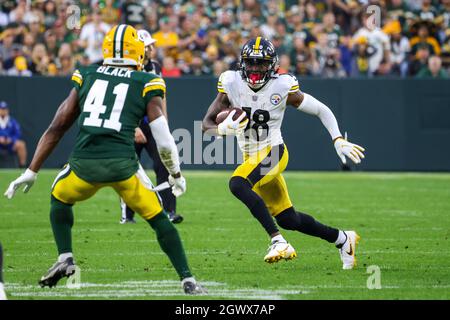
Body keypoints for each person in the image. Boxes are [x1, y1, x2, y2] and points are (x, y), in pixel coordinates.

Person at [4, 24, 205, 294]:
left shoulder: (86, 74)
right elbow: (164, 139)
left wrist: (31, 170)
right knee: (159, 219)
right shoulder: (147, 81)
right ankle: (188, 280)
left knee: (59, 196)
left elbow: (58, 126)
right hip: (123, 169)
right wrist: (176, 174)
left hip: (83, 168)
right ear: (138, 52)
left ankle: (65, 257)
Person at [202, 37, 365, 269]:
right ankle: (343, 239)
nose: (255, 69)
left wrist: (337, 137)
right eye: (251, 62)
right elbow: (205, 125)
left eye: (261, 63)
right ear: (242, 63)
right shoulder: (231, 82)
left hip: (274, 152)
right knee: (289, 218)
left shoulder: (282, 86)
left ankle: (278, 241)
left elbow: (321, 109)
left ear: (273, 65)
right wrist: (220, 129)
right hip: (252, 158)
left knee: (238, 184)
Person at [119, 29, 183, 224]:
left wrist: (165, 121)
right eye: (148, 46)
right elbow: (125, 100)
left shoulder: (155, 66)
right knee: (129, 169)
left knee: (164, 163)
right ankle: (127, 215)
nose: (152, 49)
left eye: (151, 46)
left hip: (152, 123)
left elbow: (161, 97)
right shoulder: (129, 68)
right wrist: (133, 127)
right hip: (133, 125)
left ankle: (169, 211)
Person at [0, 101, 27, 167]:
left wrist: (11, 139)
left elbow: (18, 133)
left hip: (10, 145)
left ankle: (22, 166)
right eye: (1, 109)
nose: (3, 111)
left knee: (21, 145)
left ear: (7, 110)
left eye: (4, 109)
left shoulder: (12, 121)